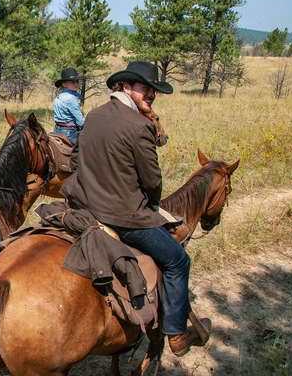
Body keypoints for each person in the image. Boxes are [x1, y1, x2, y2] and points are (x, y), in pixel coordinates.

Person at [61, 61, 199, 356]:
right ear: (125, 86)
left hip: (87, 208)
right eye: (144, 88)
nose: (150, 93)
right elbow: (152, 181)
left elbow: (75, 164)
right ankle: (175, 333)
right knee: (177, 261)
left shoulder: (93, 117)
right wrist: (147, 200)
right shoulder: (139, 126)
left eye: (152, 90)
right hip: (125, 217)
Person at [52, 68, 86, 144]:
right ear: (64, 84)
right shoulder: (71, 98)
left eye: (77, 81)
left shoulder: (58, 97)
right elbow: (81, 122)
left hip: (56, 130)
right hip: (70, 133)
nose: (76, 84)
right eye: (72, 82)